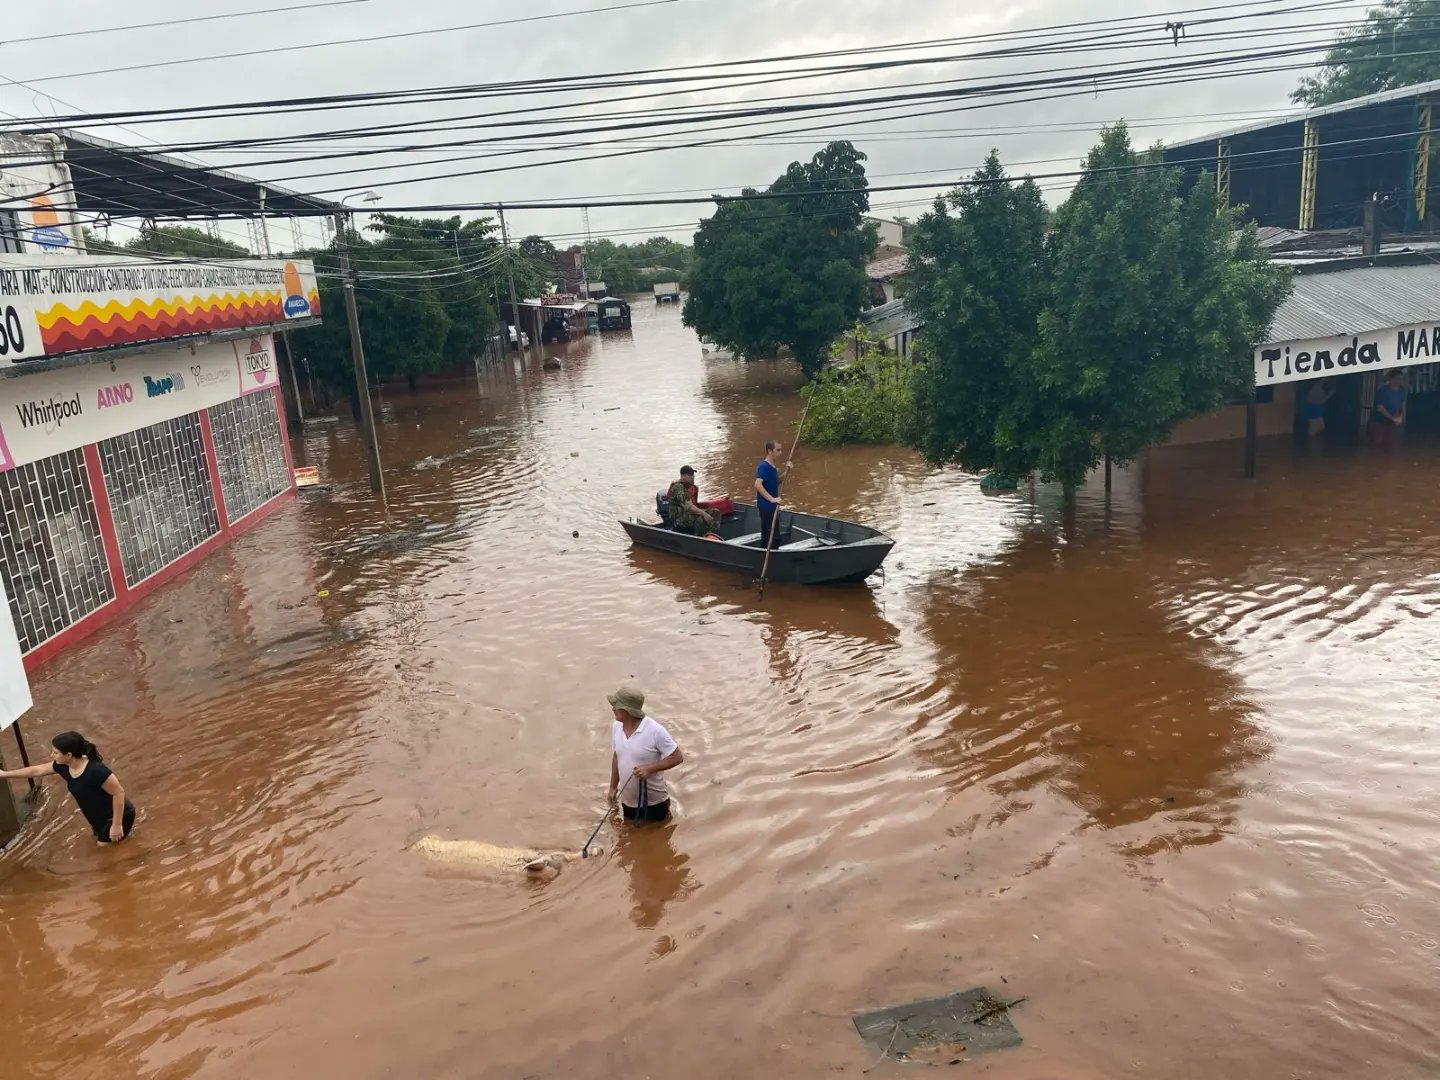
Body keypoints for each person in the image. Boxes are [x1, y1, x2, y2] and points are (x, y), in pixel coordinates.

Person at [0, 731, 136, 844]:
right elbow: (37, 770)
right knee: (112, 847)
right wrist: (5, 774)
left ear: (69, 755)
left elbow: (118, 792)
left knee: (105, 853)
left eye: (55, 752)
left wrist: (117, 824)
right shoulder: (63, 766)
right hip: (97, 818)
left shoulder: (96, 770)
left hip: (118, 816)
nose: (51, 755)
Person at [607, 685, 683, 823]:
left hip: (655, 803)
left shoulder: (655, 731)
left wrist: (649, 768)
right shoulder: (616, 727)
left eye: (616, 706)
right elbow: (617, 756)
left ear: (627, 710)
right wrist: (612, 787)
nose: (613, 709)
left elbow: (677, 757)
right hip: (628, 802)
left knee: (658, 840)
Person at [754, 438, 790, 548]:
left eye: (781, 450)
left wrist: (787, 472)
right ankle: (766, 555)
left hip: (773, 506)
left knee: (772, 536)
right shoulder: (763, 466)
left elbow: (775, 482)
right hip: (766, 506)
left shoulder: (773, 467)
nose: (780, 453)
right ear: (770, 451)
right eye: (778, 450)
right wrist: (772, 499)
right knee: (771, 537)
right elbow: (757, 484)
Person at [666, 465, 719, 534]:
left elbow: (693, 505)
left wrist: (705, 513)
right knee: (700, 518)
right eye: (690, 475)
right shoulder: (678, 488)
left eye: (693, 475)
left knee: (715, 512)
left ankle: (712, 535)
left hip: (687, 514)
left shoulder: (688, 487)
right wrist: (704, 514)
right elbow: (689, 506)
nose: (693, 477)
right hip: (678, 518)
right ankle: (699, 539)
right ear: (684, 475)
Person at [1370, 370, 1408, 449]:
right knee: (1377, 443)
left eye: (1401, 379)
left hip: (1391, 422)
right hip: (1379, 421)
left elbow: (1402, 405)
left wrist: (1401, 417)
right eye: (1397, 379)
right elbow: (1380, 408)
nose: (1399, 381)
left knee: (1389, 443)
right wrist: (1392, 418)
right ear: (1390, 379)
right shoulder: (1382, 391)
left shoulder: (1402, 391)